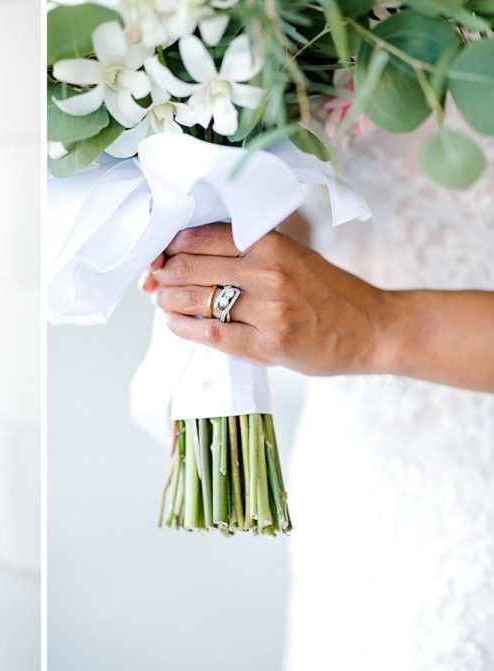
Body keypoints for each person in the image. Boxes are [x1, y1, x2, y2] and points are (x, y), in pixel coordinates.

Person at [141, 112, 494, 669]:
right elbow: (312, 202)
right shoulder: (293, 24)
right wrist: (220, 223)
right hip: (361, 477)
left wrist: (374, 326)